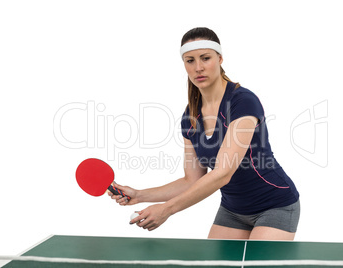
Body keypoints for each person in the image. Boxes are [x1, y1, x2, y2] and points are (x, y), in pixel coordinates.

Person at [110, 27, 300, 240]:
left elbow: (222, 173)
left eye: (205, 58)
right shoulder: (189, 117)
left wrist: (167, 209)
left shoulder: (242, 102)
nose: (198, 67)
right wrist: (140, 195)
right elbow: (192, 180)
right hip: (233, 210)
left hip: (274, 205)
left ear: (220, 59)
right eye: (190, 60)